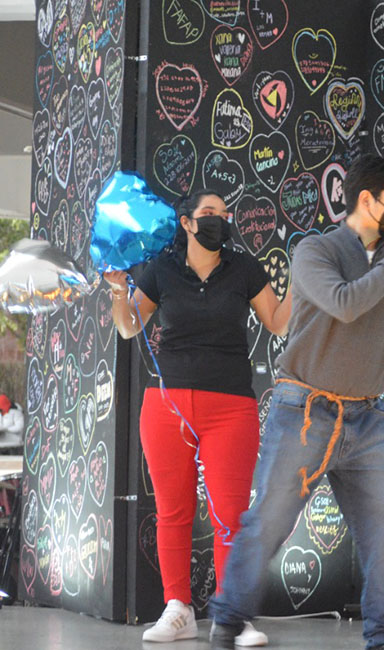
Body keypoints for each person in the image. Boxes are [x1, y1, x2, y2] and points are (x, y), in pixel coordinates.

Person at [208, 154, 384, 650]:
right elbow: (346, 304)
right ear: (366, 201)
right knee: (268, 521)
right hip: (304, 411)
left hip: (368, 418)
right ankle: (227, 621)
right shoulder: (315, 251)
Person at [104, 189, 291, 646]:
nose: (219, 221)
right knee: (173, 511)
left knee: (231, 515)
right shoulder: (162, 269)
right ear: (187, 222)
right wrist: (115, 289)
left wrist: (307, 279)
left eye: (225, 214)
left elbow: (280, 323)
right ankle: (178, 609)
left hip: (231, 406)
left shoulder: (243, 268)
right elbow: (131, 327)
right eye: (209, 214)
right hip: (166, 406)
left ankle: (231, 615)